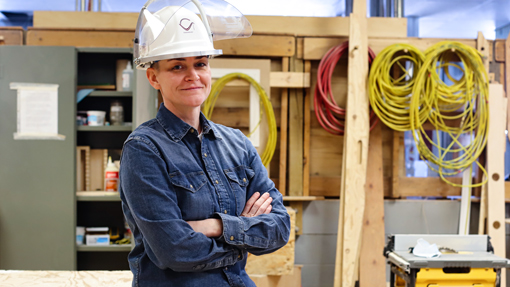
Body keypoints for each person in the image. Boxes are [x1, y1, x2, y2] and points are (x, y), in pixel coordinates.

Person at [119, 1, 291, 286]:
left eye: (200, 63)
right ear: (153, 77)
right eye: (177, 66)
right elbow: (174, 251)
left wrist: (216, 226)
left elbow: (280, 227)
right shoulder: (144, 149)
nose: (193, 75)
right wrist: (244, 238)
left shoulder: (237, 144)